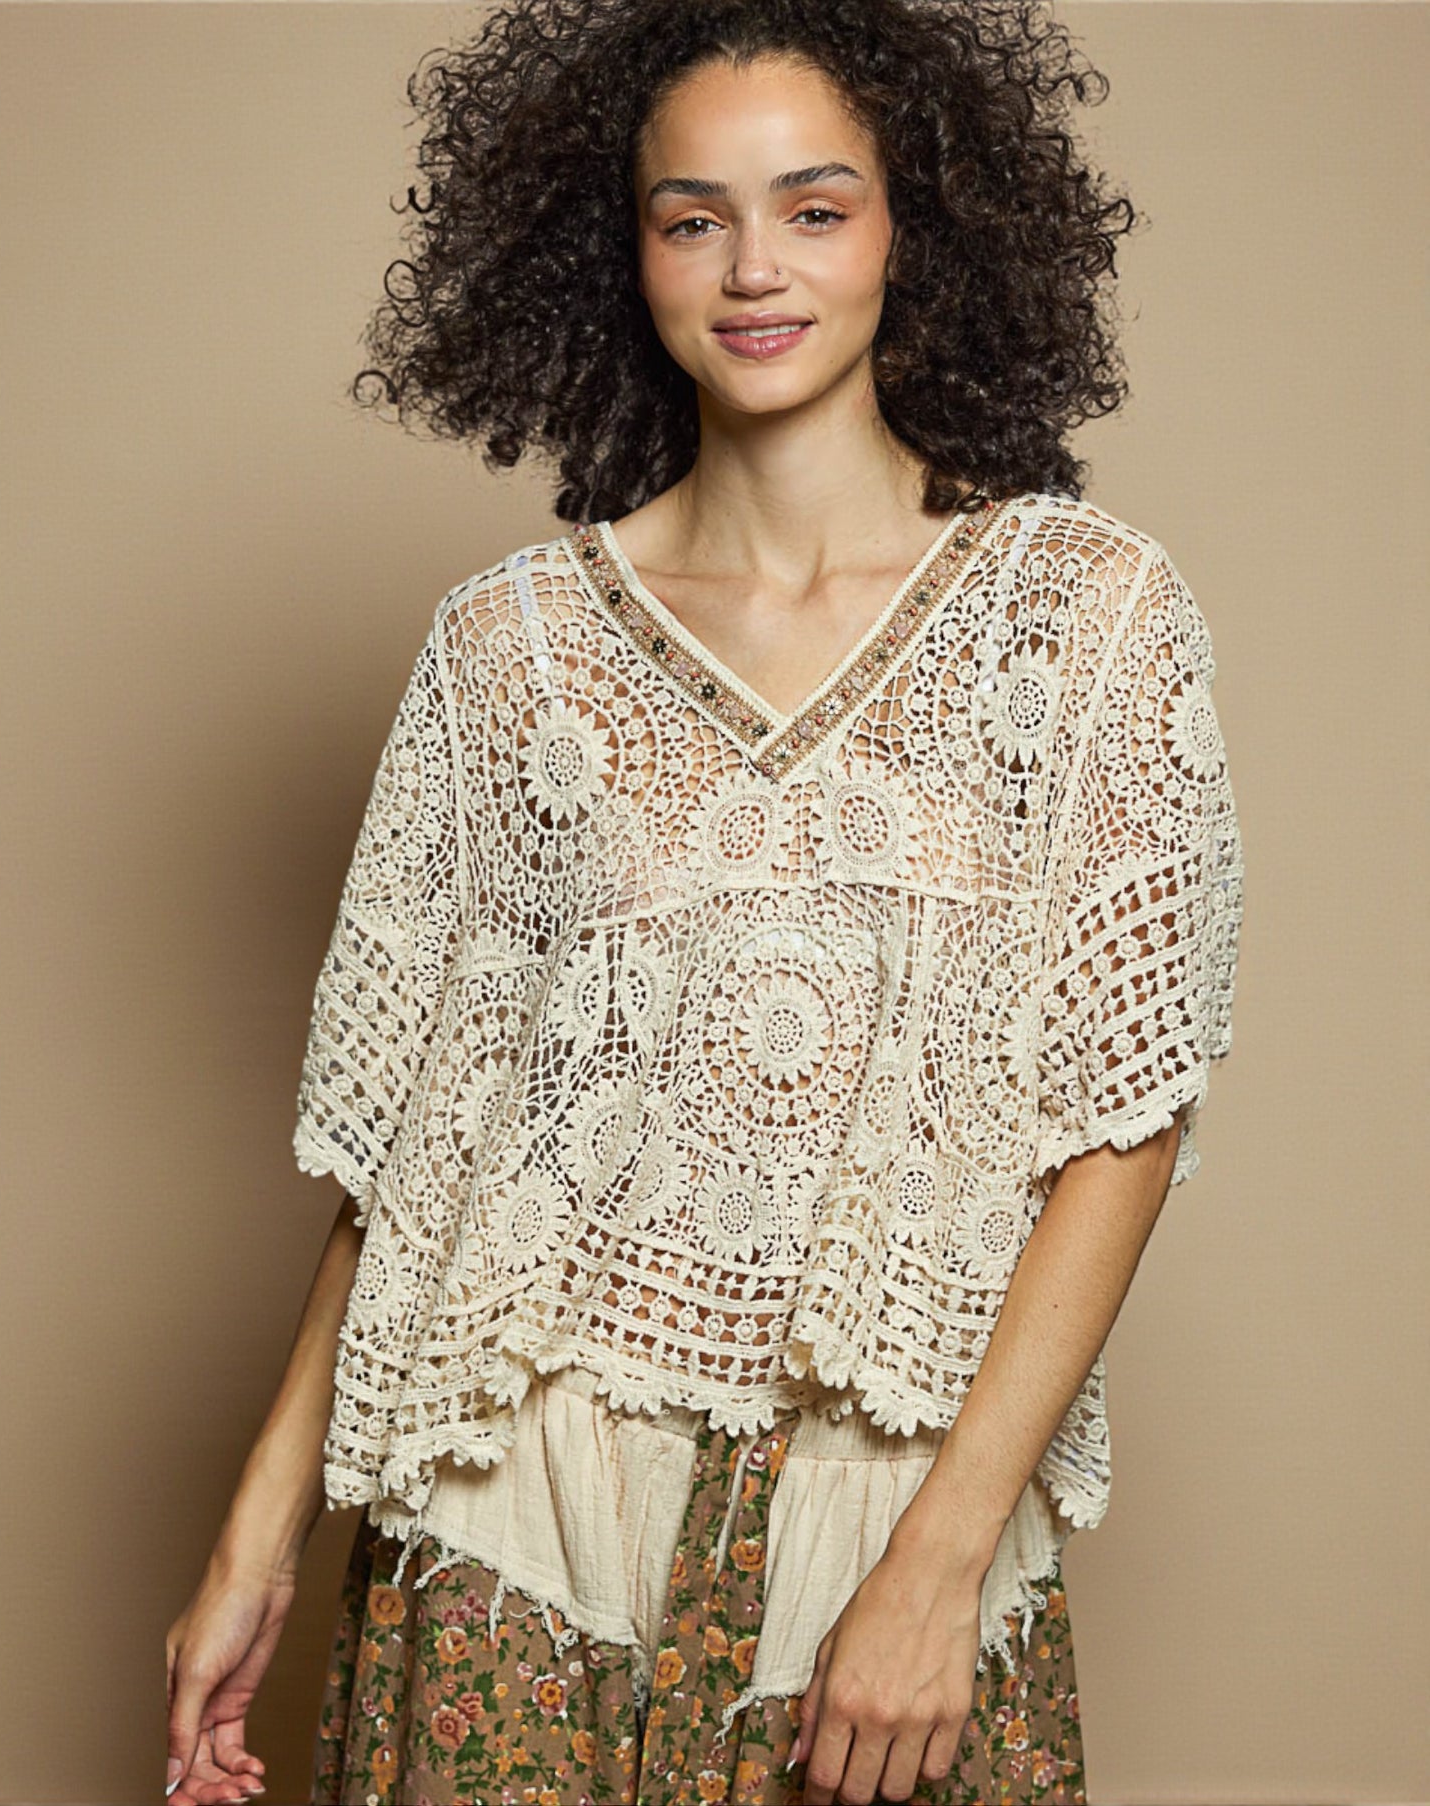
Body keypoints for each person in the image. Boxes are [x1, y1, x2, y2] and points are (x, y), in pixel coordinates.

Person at [165, 2, 1245, 1802]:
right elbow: (418, 1155)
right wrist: (252, 1539)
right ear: (625, 254)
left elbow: (1121, 1122)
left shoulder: (1087, 617)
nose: (754, 267)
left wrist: (941, 1555)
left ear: (919, 225)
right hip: (508, 1511)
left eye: (813, 209)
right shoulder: (503, 651)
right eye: (691, 218)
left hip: (874, 1524)